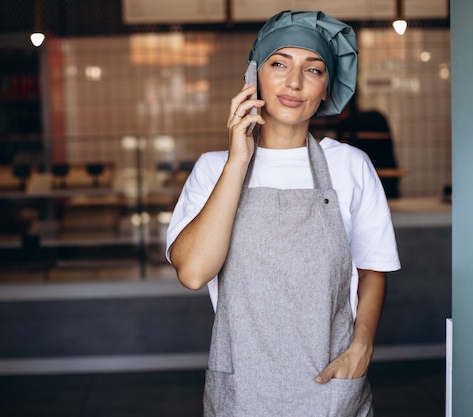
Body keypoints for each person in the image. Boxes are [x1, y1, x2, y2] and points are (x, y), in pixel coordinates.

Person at [166, 10, 400, 417]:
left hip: (330, 387)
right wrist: (238, 160)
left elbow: (372, 269)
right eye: (279, 64)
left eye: (313, 69)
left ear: (327, 88)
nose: (294, 83)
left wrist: (361, 348)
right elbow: (193, 273)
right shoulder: (213, 168)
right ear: (254, 76)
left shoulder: (350, 166)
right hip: (243, 392)